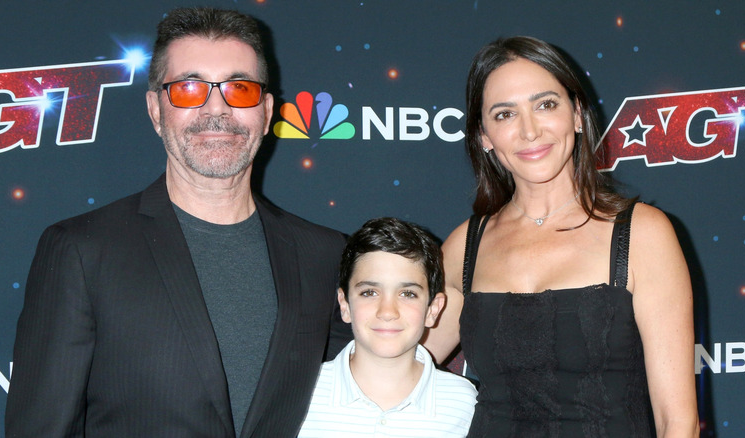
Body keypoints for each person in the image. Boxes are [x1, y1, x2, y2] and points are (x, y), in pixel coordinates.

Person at [5, 7, 350, 438]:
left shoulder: (326, 253)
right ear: (155, 109)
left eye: (238, 88)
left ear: (265, 111)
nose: (216, 109)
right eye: (189, 88)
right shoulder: (81, 249)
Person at [423, 36, 699, 437]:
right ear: (484, 136)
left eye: (546, 105)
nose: (529, 130)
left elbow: (679, 422)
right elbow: (397, 367)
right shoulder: (466, 244)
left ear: (577, 115)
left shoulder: (641, 233)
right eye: (504, 115)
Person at [298, 217, 478, 438]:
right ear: (345, 305)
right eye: (369, 292)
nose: (387, 311)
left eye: (407, 294)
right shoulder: (302, 393)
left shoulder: (464, 403)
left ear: (433, 309)